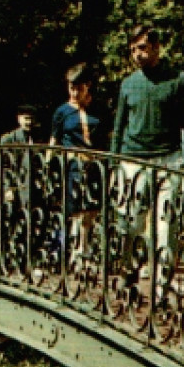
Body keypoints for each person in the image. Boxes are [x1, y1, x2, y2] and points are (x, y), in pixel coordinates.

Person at [109, 27, 184, 278]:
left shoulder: (176, 81)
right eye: (133, 49)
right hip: (133, 161)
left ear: (156, 48)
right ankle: (126, 267)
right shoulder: (128, 84)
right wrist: (114, 166)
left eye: (142, 48)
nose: (137, 54)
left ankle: (162, 283)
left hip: (167, 159)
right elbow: (118, 127)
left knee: (165, 223)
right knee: (132, 221)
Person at [50, 62, 105, 262]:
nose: (74, 93)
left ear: (87, 86)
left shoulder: (96, 109)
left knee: (91, 208)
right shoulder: (62, 111)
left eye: (79, 88)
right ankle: (64, 249)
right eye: (71, 88)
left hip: (93, 164)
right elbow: (54, 140)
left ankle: (85, 247)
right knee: (73, 207)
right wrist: (50, 163)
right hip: (72, 164)